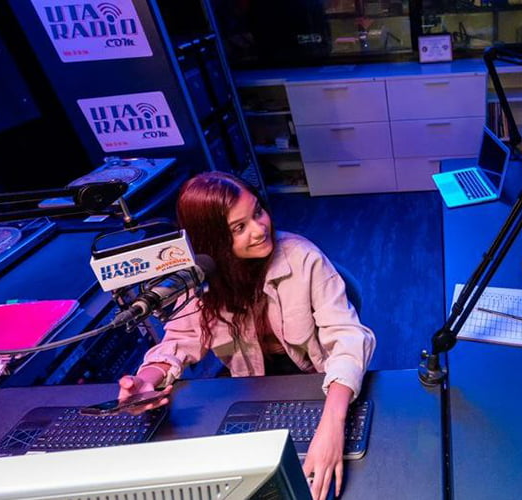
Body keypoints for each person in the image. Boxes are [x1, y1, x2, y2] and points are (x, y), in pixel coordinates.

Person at [117, 172, 375, 500]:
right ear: (213, 243)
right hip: (249, 386)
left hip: (316, 380)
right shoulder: (199, 278)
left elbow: (348, 336)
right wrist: (148, 378)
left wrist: (332, 423)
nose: (259, 228)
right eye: (239, 228)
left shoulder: (303, 256)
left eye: (257, 212)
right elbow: (179, 341)